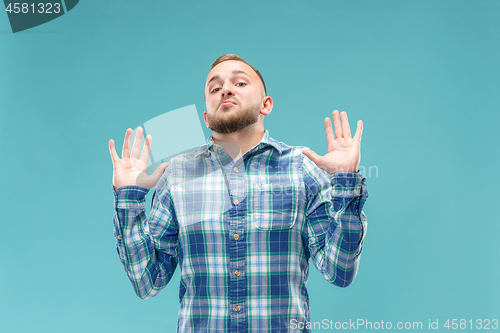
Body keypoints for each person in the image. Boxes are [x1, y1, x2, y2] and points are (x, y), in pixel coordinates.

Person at [108, 54, 368, 333]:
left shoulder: (302, 168)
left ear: (266, 105)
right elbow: (147, 282)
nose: (226, 90)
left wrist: (345, 181)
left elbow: (339, 271)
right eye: (215, 88)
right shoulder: (177, 175)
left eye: (240, 83)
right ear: (206, 118)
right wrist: (129, 196)